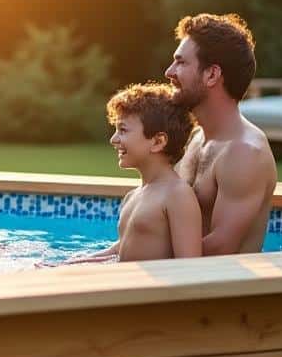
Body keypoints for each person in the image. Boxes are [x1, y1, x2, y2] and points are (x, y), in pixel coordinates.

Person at [167, 13, 278, 254]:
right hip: (182, 278)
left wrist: (138, 260)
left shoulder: (245, 152)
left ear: (212, 75)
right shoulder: (196, 139)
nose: (169, 72)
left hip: (218, 286)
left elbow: (221, 247)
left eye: (181, 62)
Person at [67, 83, 201, 263]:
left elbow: (190, 266)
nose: (113, 139)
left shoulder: (177, 195)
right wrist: (75, 262)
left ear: (158, 142)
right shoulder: (133, 196)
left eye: (122, 130)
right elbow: (122, 247)